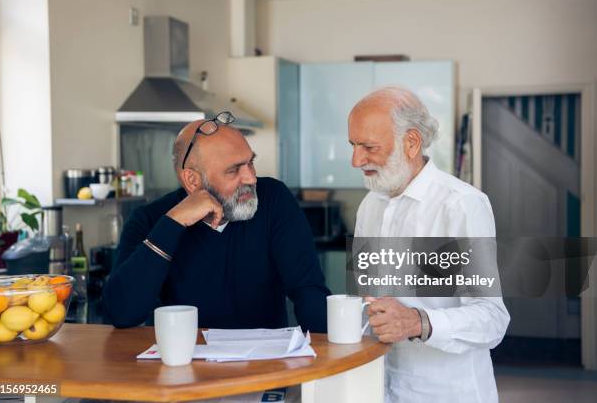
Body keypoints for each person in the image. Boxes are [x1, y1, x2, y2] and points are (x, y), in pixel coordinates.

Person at [348, 87, 510, 402]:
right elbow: (366, 296)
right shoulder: (370, 204)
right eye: (353, 145)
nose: (355, 160)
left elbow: (492, 318)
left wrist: (417, 321)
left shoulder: (461, 204)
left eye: (368, 146)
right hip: (381, 388)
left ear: (411, 142)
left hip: (447, 393)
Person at [103, 112, 330, 332]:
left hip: (265, 365)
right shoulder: (149, 220)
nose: (251, 178)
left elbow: (307, 290)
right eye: (233, 170)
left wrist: (329, 356)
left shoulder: (273, 199)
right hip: (183, 364)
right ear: (192, 180)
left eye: (250, 162)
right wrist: (174, 223)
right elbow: (121, 313)